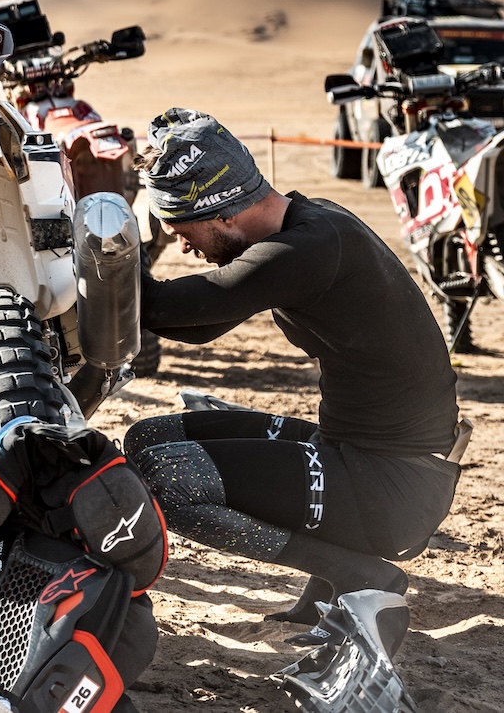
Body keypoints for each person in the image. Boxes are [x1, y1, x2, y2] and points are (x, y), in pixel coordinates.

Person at [122, 107, 461, 653]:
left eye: (183, 231)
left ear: (222, 214)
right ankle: (330, 581)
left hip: (393, 487)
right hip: (358, 453)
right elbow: (202, 325)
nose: (183, 247)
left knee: (168, 478)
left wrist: (103, 248)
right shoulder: (306, 227)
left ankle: (360, 574)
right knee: (147, 439)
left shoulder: (308, 249)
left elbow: (164, 306)